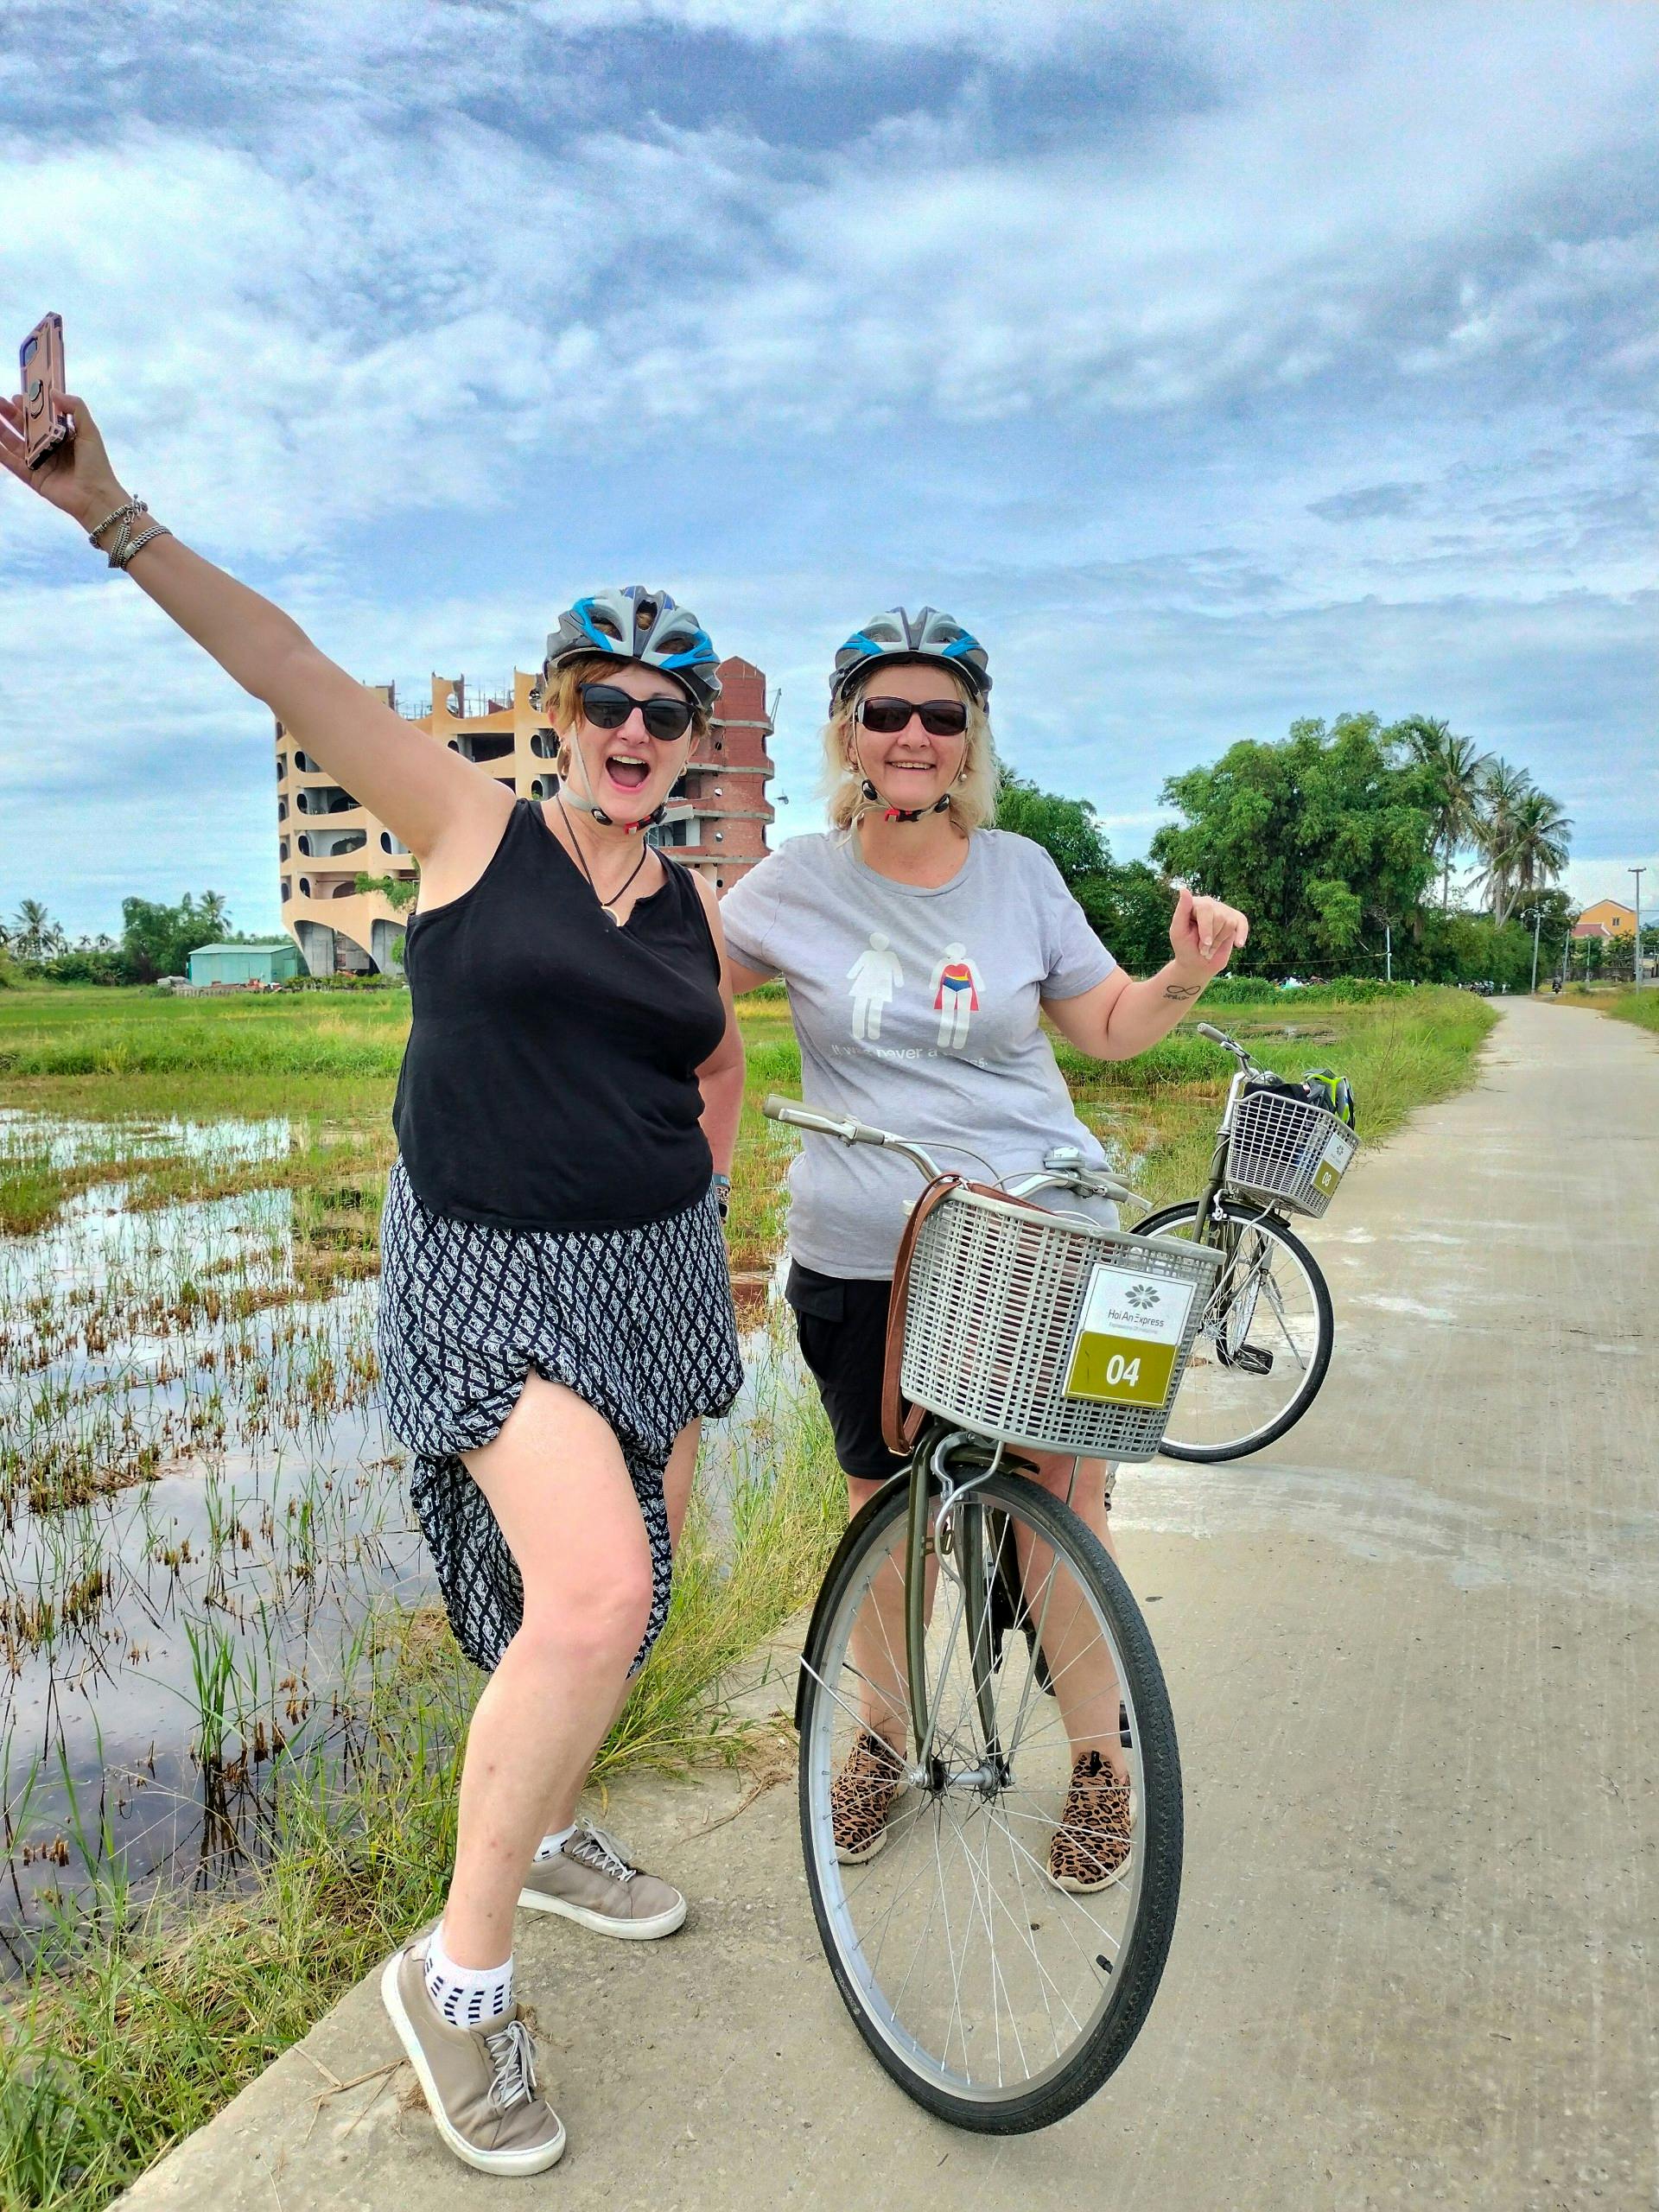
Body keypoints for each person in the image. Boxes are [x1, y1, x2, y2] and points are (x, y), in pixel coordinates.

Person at [1, 387, 746, 2177]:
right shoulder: (468, 825)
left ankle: (549, 1825)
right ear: (555, 712)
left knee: (617, 1608)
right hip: (488, 1268)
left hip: (653, 1271)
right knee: (588, 1595)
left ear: (695, 740)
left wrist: (704, 1192)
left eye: (668, 710)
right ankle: (461, 1979)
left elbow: (706, 1068)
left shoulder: (694, 899)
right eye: (604, 700)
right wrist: (111, 513)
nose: (634, 729)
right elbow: (290, 662)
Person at [718, 607, 1248, 1891]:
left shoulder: (1022, 872)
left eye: (939, 716)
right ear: (847, 732)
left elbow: (1109, 1029)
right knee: (880, 1506)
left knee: (1063, 1503)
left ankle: (1103, 1763)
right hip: (868, 1245)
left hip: (1043, 1232)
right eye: (886, 712)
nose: (912, 736)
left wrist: (1186, 973)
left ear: (971, 739)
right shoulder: (789, 881)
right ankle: (879, 1743)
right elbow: (674, 995)